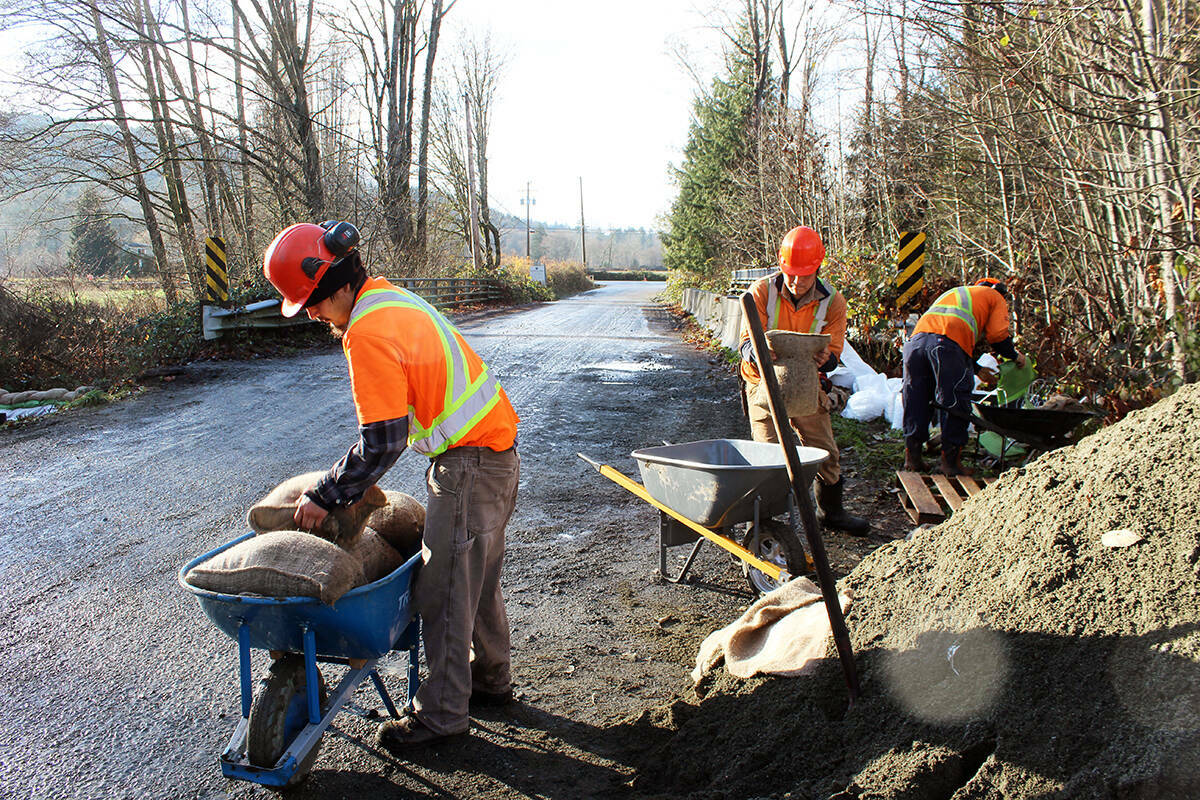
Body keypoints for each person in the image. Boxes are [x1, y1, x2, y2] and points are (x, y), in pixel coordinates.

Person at [262, 221, 521, 750]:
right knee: (477, 578)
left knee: (443, 590)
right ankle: (489, 681)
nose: (310, 313)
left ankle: (441, 716)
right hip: (494, 455)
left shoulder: (368, 331)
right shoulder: (387, 298)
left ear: (334, 282)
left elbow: (382, 442)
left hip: (470, 466)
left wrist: (326, 495)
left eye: (310, 301)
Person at [739, 225, 869, 536]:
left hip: (805, 385)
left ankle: (831, 512)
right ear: (782, 266)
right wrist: (760, 354)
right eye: (791, 274)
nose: (796, 282)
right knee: (768, 456)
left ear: (818, 268)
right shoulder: (761, 292)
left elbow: (835, 351)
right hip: (763, 387)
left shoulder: (833, 302)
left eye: (804, 275)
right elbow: (744, 344)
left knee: (825, 452)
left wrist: (828, 360)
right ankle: (760, 525)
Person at [901, 276, 1026, 476]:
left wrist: (977, 370)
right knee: (955, 402)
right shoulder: (995, 297)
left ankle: (912, 459)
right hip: (945, 345)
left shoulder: (957, 293)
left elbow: (945, 337)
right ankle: (950, 464)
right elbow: (997, 336)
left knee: (916, 398)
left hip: (915, 344)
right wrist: (1016, 356)